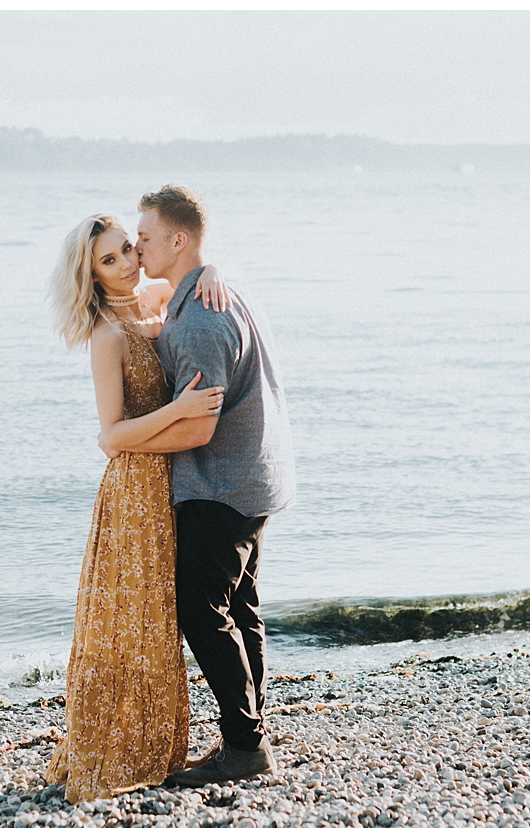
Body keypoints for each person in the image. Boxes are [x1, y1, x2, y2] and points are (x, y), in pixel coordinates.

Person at [42, 213, 231, 801]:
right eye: (109, 260)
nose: (127, 264)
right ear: (92, 276)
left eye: (127, 249)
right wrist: (179, 411)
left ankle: (160, 747)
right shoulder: (106, 335)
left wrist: (215, 270)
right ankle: (111, 753)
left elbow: (187, 272)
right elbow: (112, 435)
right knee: (125, 622)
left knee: (161, 620)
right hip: (133, 492)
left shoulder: (156, 295)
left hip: (177, 481)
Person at [127, 185, 297, 786]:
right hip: (259, 476)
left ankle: (245, 748)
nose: (136, 245)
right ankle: (249, 734)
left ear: (177, 240)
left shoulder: (198, 316)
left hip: (222, 482)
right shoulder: (213, 289)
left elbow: (198, 428)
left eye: (144, 236)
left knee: (200, 612)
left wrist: (124, 442)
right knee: (239, 606)